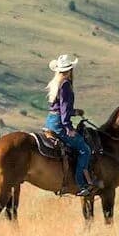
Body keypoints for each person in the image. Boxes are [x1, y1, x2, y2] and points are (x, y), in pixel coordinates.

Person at [44, 53, 94, 196]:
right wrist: (68, 128)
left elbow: (58, 107)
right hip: (60, 125)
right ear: (70, 70)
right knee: (85, 149)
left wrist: (75, 112)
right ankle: (80, 184)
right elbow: (64, 110)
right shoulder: (65, 85)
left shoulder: (56, 83)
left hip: (50, 122)